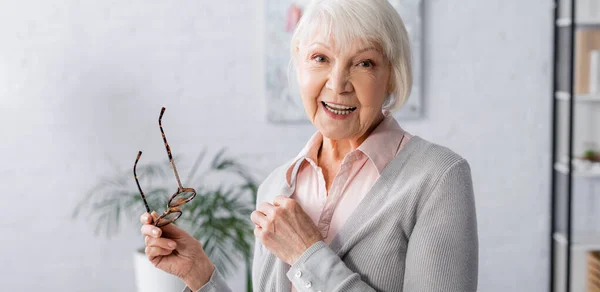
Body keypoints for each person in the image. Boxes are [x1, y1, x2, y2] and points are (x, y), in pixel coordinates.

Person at [139, 0, 478, 291]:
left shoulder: (437, 178)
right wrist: (200, 275)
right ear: (299, 63)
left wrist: (306, 253)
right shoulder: (276, 186)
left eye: (364, 63)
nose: (338, 84)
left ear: (391, 74)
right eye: (320, 58)